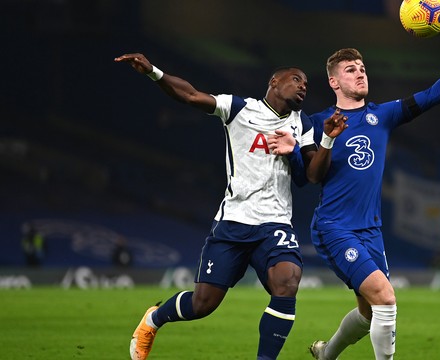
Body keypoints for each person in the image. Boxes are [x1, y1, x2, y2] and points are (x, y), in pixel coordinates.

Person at [272, 32, 440, 359]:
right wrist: (323, 140)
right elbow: (312, 176)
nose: (360, 72)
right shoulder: (316, 122)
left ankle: (327, 354)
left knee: (370, 313)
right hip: (334, 227)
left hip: (371, 230)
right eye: (351, 69)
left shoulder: (382, 115)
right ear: (334, 81)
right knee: (386, 298)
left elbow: (432, 95)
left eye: (362, 67)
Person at [114, 53, 346, 360]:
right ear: (274, 82)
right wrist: (154, 72)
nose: (304, 86)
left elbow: (311, 176)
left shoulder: (300, 123)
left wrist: (326, 140)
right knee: (203, 304)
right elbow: (190, 94)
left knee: (287, 282)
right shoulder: (239, 109)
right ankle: (154, 319)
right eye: (296, 79)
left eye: (306, 83)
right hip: (234, 221)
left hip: (275, 223)